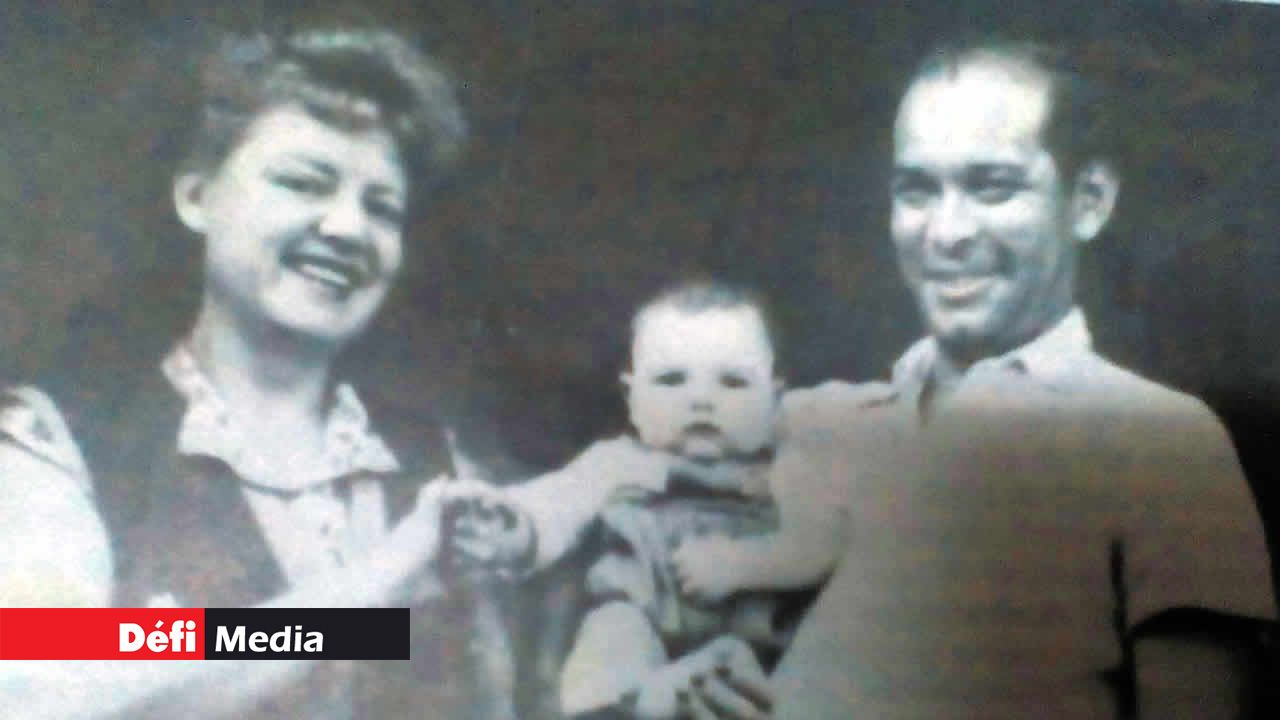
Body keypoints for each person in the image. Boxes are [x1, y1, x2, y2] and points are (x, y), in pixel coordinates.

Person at [0, 24, 510, 720]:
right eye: (303, 183)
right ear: (197, 197)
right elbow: (43, 680)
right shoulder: (59, 445)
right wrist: (374, 588)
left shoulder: (432, 461)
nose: (348, 229)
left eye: (382, 208)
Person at [768, 40, 1278, 719]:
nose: (947, 233)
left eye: (992, 187)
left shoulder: (1161, 442)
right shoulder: (814, 426)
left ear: (1089, 201)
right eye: (918, 190)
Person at [438, 281, 826, 718]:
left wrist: (745, 565)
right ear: (633, 398)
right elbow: (559, 503)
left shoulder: (790, 473)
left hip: (759, 636)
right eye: (671, 380)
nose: (701, 400)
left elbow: (826, 543)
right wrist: (516, 528)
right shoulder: (620, 463)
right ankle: (621, 706)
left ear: (775, 399)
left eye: (733, 382)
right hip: (643, 615)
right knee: (612, 628)